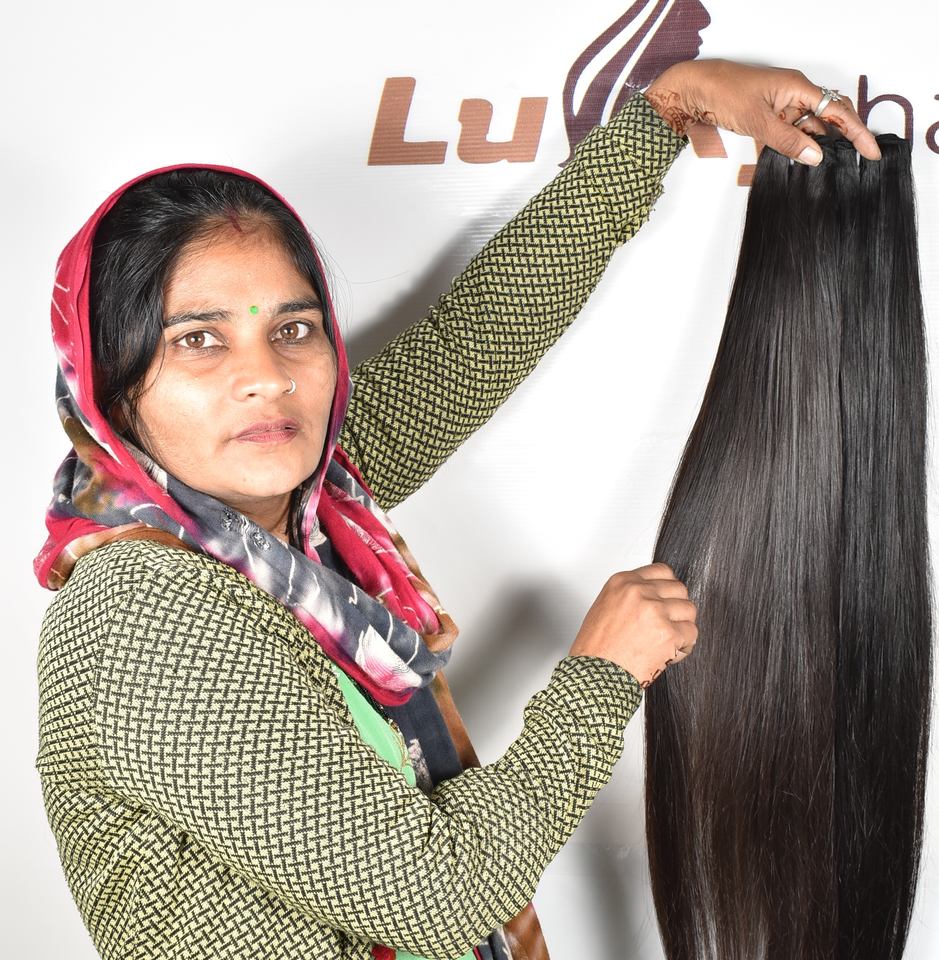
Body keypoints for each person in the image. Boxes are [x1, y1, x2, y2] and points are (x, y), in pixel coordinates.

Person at [34, 59, 880, 960]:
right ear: (110, 384)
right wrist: (600, 676)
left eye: (293, 328)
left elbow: (474, 340)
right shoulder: (139, 609)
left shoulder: (307, 502)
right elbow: (434, 894)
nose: (267, 378)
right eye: (200, 340)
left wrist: (668, 110)